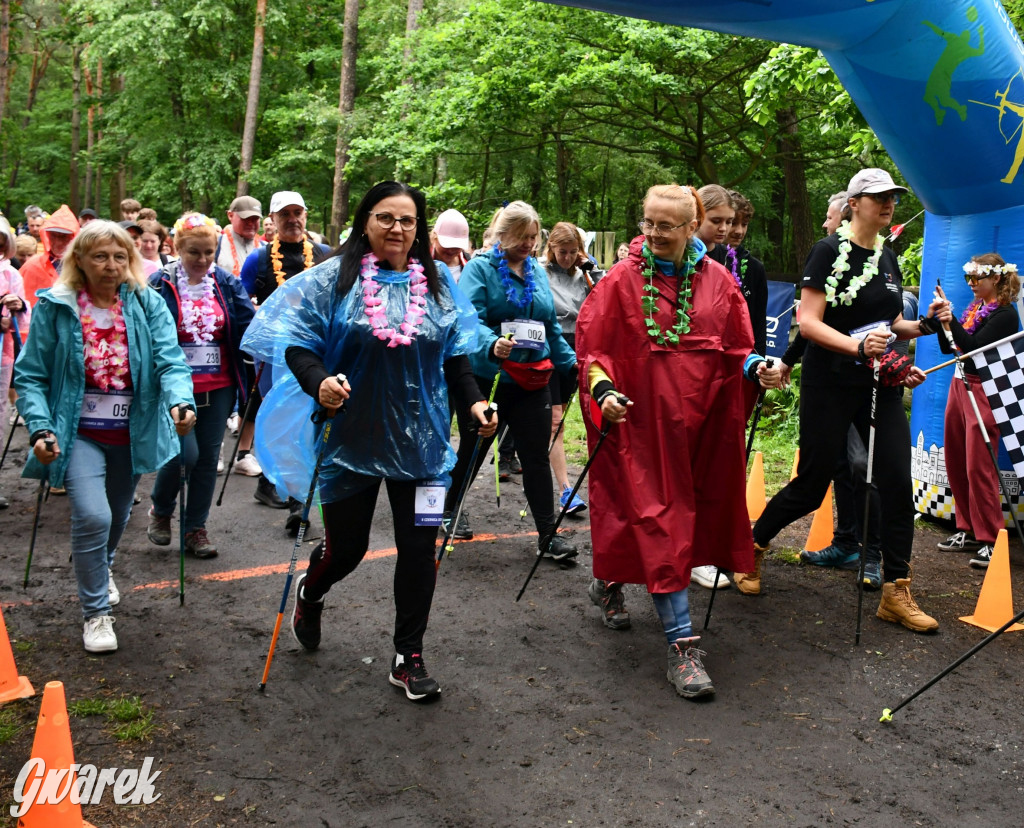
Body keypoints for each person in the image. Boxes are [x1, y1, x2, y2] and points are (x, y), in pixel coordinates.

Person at [241, 181, 495, 701]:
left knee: (420, 549)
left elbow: (456, 358)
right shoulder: (334, 280)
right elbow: (297, 344)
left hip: (422, 445)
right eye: (386, 218)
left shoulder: (440, 283)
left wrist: (472, 402)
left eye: (407, 220)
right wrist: (321, 383)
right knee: (348, 549)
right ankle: (312, 593)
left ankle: (409, 656)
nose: (397, 229)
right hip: (350, 438)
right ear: (365, 222)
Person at [577, 184, 779, 700]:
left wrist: (759, 366)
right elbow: (593, 351)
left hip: (703, 429)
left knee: (677, 519)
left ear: (694, 229)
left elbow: (737, 348)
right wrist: (604, 391)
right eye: (648, 223)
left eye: (666, 226)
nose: (653, 234)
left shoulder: (719, 282)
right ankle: (683, 648)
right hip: (642, 430)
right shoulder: (622, 280)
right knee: (657, 520)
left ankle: (609, 580)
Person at [741, 168, 940, 633]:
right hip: (830, 383)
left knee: (895, 482)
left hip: (879, 385)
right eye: (877, 198)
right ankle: (752, 547)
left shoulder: (888, 256)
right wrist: (855, 347)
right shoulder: (829, 250)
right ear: (854, 203)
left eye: (891, 197)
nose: (887, 204)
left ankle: (896, 589)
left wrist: (926, 323)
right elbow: (808, 323)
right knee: (811, 484)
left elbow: (892, 323)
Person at [14, 220, 196, 653]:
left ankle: (102, 564)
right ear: (79, 260)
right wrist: (40, 426)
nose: (111, 265)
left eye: (119, 256)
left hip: (131, 433)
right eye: (100, 256)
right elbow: (31, 375)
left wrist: (179, 402)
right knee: (93, 517)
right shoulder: (55, 306)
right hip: (77, 432)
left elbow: (171, 361)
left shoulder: (147, 303)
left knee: (114, 518)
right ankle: (95, 613)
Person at [443, 201, 578, 560]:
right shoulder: (480, 269)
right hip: (489, 379)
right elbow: (469, 320)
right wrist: (492, 344)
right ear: (502, 235)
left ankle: (548, 536)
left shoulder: (535, 269)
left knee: (535, 455)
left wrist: (572, 365)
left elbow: (549, 325)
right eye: (521, 237)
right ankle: (446, 510)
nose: (528, 245)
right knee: (473, 451)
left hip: (532, 381)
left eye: (533, 238)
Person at [147, 214, 255, 558]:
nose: (203, 260)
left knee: (207, 458)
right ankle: (161, 510)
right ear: (177, 248)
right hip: (174, 386)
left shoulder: (224, 281)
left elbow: (247, 322)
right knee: (183, 453)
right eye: (194, 252)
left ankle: (195, 527)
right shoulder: (159, 283)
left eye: (209, 252)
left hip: (219, 383)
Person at [238, 191, 331, 523]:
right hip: (273, 356)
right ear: (273, 220)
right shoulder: (258, 259)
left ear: (306, 216)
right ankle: (279, 487)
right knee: (279, 417)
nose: (293, 219)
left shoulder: (324, 254)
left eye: (298, 212)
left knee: (305, 419)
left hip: (313, 352)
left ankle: (293, 499)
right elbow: (240, 299)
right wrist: (258, 314)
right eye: (284, 214)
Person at [926, 254, 1021, 569]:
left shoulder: (1006, 314)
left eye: (976, 278)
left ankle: (992, 538)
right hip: (959, 383)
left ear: (994, 279)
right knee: (956, 460)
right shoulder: (975, 309)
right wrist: (944, 319)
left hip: (985, 389)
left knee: (979, 465)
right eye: (969, 278)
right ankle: (966, 528)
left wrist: (950, 318)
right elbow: (949, 347)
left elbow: (973, 350)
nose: (970, 284)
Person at [540, 221, 595, 515]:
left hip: (576, 349)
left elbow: (602, 300)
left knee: (558, 422)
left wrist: (590, 269)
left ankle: (553, 474)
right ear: (552, 248)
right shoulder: (541, 272)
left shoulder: (582, 274)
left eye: (574, 252)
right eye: (563, 252)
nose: (568, 257)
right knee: (555, 421)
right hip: (549, 345)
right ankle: (565, 489)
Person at [1, 220, 30, 507]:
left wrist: (18, 306)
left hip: (3, 355)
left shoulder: (11, 274)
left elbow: (24, 316)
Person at [217, 196, 264, 278]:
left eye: (255, 219)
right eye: (245, 218)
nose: (250, 223)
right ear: (230, 215)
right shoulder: (216, 245)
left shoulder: (266, 248)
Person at [694, 184, 734, 267]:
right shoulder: (679, 253)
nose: (723, 228)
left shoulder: (729, 257)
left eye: (728, 222)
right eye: (716, 221)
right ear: (697, 216)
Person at [430, 209, 472, 282]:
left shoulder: (469, 266)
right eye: (447, 245)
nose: (451, 250)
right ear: (435, 236)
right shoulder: (419, 263)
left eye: (457, 246)